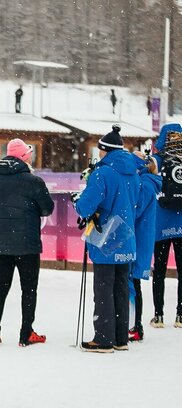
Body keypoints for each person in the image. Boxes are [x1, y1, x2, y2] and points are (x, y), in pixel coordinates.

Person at [73, 125, 139, 353]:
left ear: (104, 150)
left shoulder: (103, 173)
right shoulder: (133, 172)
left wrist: (77, 202)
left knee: (103, 289)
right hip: (127, 236)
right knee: (121, 288)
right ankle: (121, 337)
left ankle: (103, 339)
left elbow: (85, 206)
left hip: (106, 238)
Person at [0, 139, 54, 348]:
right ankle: (26, 333)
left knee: (1, 286)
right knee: (29, 289)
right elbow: (47, 208)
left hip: (0, 242)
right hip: (27, 243)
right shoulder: (32, 181)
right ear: (25, 157)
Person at [151, 122, 182, 329]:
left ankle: (159, 315)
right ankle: (180, 315)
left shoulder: (156, 161)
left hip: (160, 224)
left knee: (159, 271)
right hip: (181, 225)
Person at [128, 151, 160, 342]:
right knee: (133, 283)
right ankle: (134, 324)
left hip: (138, 239)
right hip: (141, 238)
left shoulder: (145, 185)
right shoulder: (148, 183)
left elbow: (135, 210)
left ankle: (135, 325)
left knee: (133, 283)